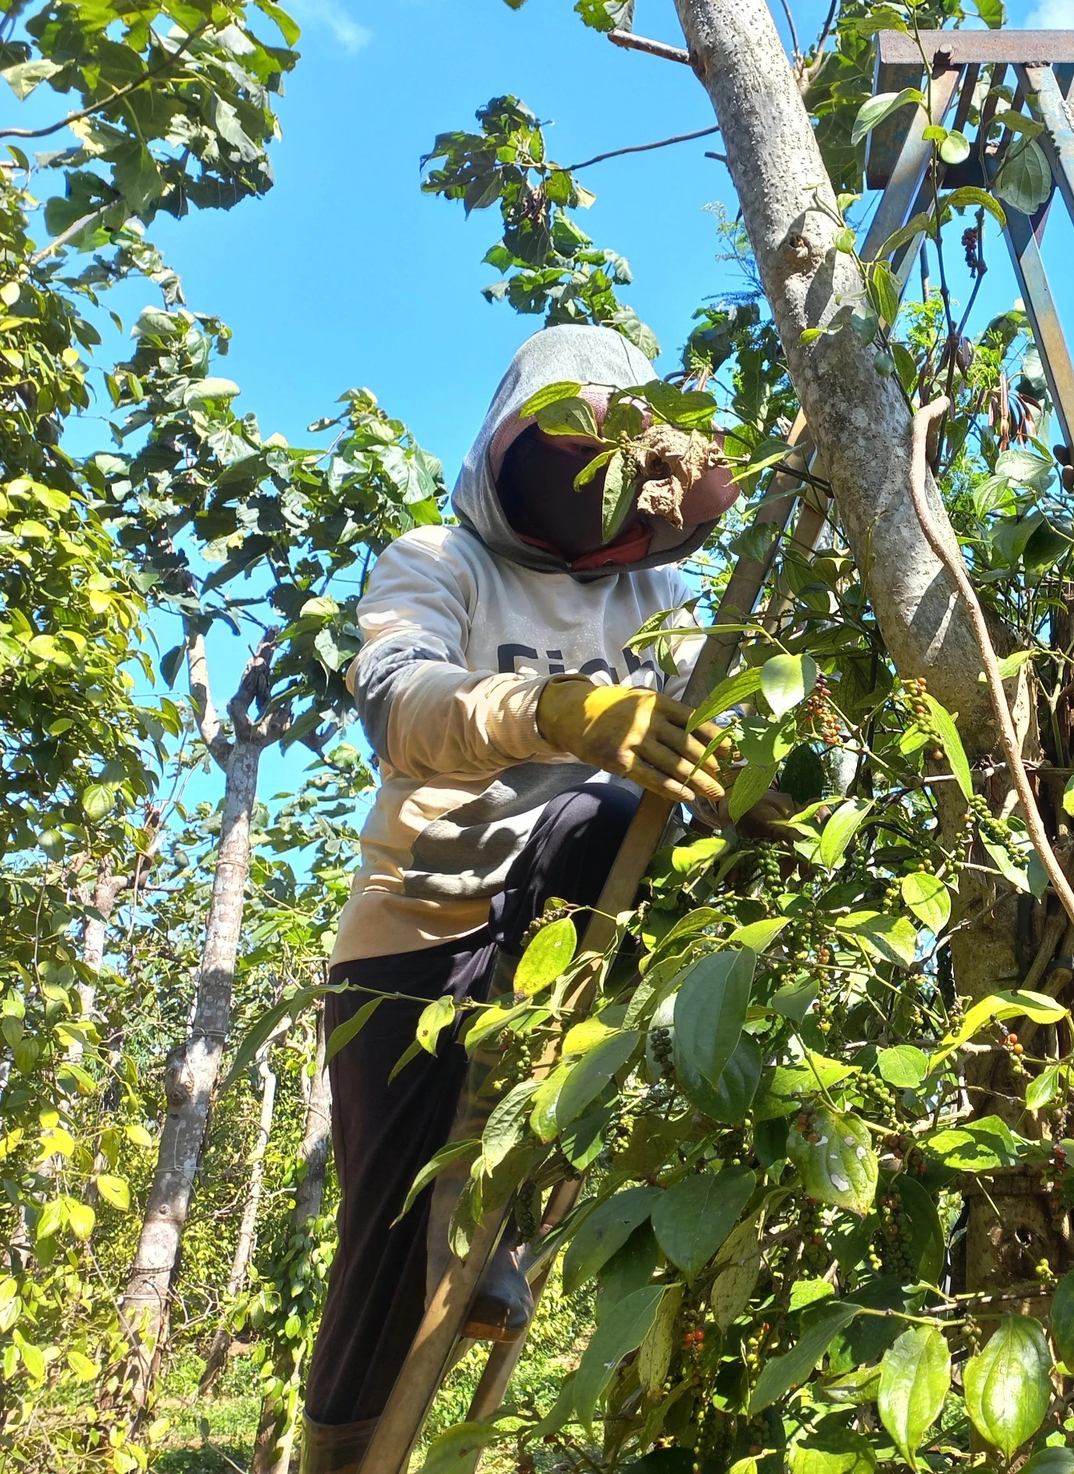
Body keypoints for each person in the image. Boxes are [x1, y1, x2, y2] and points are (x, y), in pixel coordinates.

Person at [301, 324, 743, 1474]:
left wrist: (774, 784)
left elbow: (720, 761)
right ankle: (340, 1454)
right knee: (387, 1241)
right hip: (420, 933)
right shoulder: (436, 559)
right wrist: (548, 714)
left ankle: (526, 1194)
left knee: (611, 820)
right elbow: (400, 704)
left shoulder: (664, 596)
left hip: (571, 915)